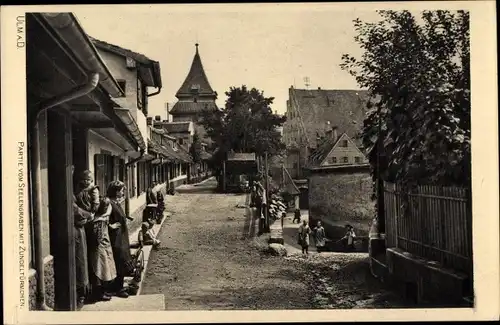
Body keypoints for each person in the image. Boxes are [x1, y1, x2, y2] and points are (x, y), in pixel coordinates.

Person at [73, 170, 100, 308]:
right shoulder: (76, 190)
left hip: (89, 226)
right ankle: (85, 291)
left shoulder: (93, 190)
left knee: (92, 256)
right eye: (84, 180)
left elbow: (95, 206)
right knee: (83, 259)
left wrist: (90, 214)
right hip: (83, 225)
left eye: (89, 180)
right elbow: (76, 208)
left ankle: (93, 290)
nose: (86, 182)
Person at [107, 181, 134, 298]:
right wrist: (110, 226)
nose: (123, 193)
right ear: (116, 191)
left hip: (121, 236)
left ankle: (119, 286)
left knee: (122, 259)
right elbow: (101, 219)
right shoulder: (109, 204)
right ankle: (117, 288)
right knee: (118, 260)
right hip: (115, 237)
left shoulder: (116, 203)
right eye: (122, 190)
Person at [86, 197, 116, 302]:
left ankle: (103, 292)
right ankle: (98, 294)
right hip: (99, 249)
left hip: (104, 247)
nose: (106, 208)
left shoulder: (102, 218)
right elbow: (97, 237)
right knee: (99, 272)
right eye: (104, 206)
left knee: (104, 271)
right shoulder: (98, 221)